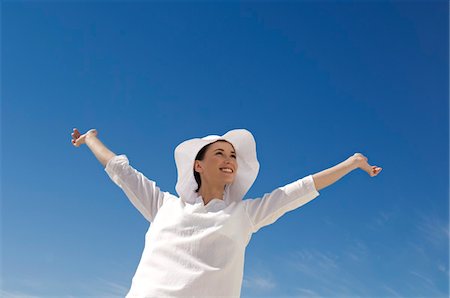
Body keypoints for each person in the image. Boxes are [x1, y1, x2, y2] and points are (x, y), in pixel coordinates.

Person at [71, 127, 382, 297]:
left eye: (233, 155)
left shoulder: (244, 214)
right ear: (198, 164)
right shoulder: (162, 204)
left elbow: (298, 190)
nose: (230, 159)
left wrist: (351, 164)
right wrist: (91, 140)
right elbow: (120, 171)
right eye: (219, 153)